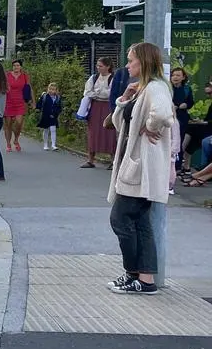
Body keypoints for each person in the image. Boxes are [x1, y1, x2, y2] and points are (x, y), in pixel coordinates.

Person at [106, 42, 173, 296]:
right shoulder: (142, 89)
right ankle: (144, 279)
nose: (127, 64)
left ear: (143, 62)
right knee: (140, 222)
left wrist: (151, 127)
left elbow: (164, 114)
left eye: (131, 60)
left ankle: (134, 273)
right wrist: (124, 100)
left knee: (120, 218)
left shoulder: (156, 87)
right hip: (135, 165)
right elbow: (116, 122)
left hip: (141, 168)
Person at [81, 58, 117, 169]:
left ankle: (114, 160)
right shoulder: (94, 78)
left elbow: (111, 93)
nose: (98, 68)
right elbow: (87, 92)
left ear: (108, 67)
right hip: (95, 107)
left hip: (108, 107)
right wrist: (98, 94)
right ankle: (90, 160)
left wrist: (97, 93)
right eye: (97, 66)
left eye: (101, 66)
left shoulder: (113, 78)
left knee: (110, 133)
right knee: (93, 132)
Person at [3, 59, 31, 152]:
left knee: (19, 123)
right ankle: (8, 144)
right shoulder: (7, 75)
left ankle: (16, 140)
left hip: (20, 102)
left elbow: (29, 88)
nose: (16, 67)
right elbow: (2, 87)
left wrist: (33, 101)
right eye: (14, 65)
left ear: (21, 67)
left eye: (18, 65)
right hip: (8, 102)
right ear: (12, 66)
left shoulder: (25, 76)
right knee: (8, 124)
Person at [170, 67, 194, 172]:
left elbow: (191, 102)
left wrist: (186, 104)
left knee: (178, 141)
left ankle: (177, 167)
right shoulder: (167, 88)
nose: (175, 77)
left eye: (178, 75)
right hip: (169, 117)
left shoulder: (187, 89)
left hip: (182, 118)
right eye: (173, 75)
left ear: (183, 77)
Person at [35, 82, 63, 151]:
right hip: (45, 115)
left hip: (53, 116)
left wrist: (56, 113)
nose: (52, 91)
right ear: (48, 89)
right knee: (46, 129)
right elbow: (40, 104)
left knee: (53, 129)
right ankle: (45, 144)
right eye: (50, 89)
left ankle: (53, 145)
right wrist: (37, 108)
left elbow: (59, 107)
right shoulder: (45, 96)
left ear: (56, 90)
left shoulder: (57, 98)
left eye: (54, 89)